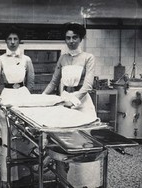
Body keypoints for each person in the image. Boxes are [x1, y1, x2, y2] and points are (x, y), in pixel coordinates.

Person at [43, 22, 100, 188]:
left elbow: (87, 86)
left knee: (83, 145)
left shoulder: (88, 58)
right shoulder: (63, 58)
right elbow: (54, 82)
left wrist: (73, 101)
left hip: (81, 104)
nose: (71, 40)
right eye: (68, 38)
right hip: (65, 100)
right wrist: (40, 99)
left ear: (80, 38)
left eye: (75, 37)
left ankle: (85, 184)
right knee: (63, 143)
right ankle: (63, 180)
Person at [0, 26, 35, 187]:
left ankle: (24, 176)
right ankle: (6, 178)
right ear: (6, 41)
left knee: (25, 139)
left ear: (19, 40)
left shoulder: (26, 59)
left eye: (15, 39)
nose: (13, 42)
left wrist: (25, 96)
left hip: (23, 98)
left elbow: (30, 82)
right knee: (7, 139)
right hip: (6, 98)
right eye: (10, 39)